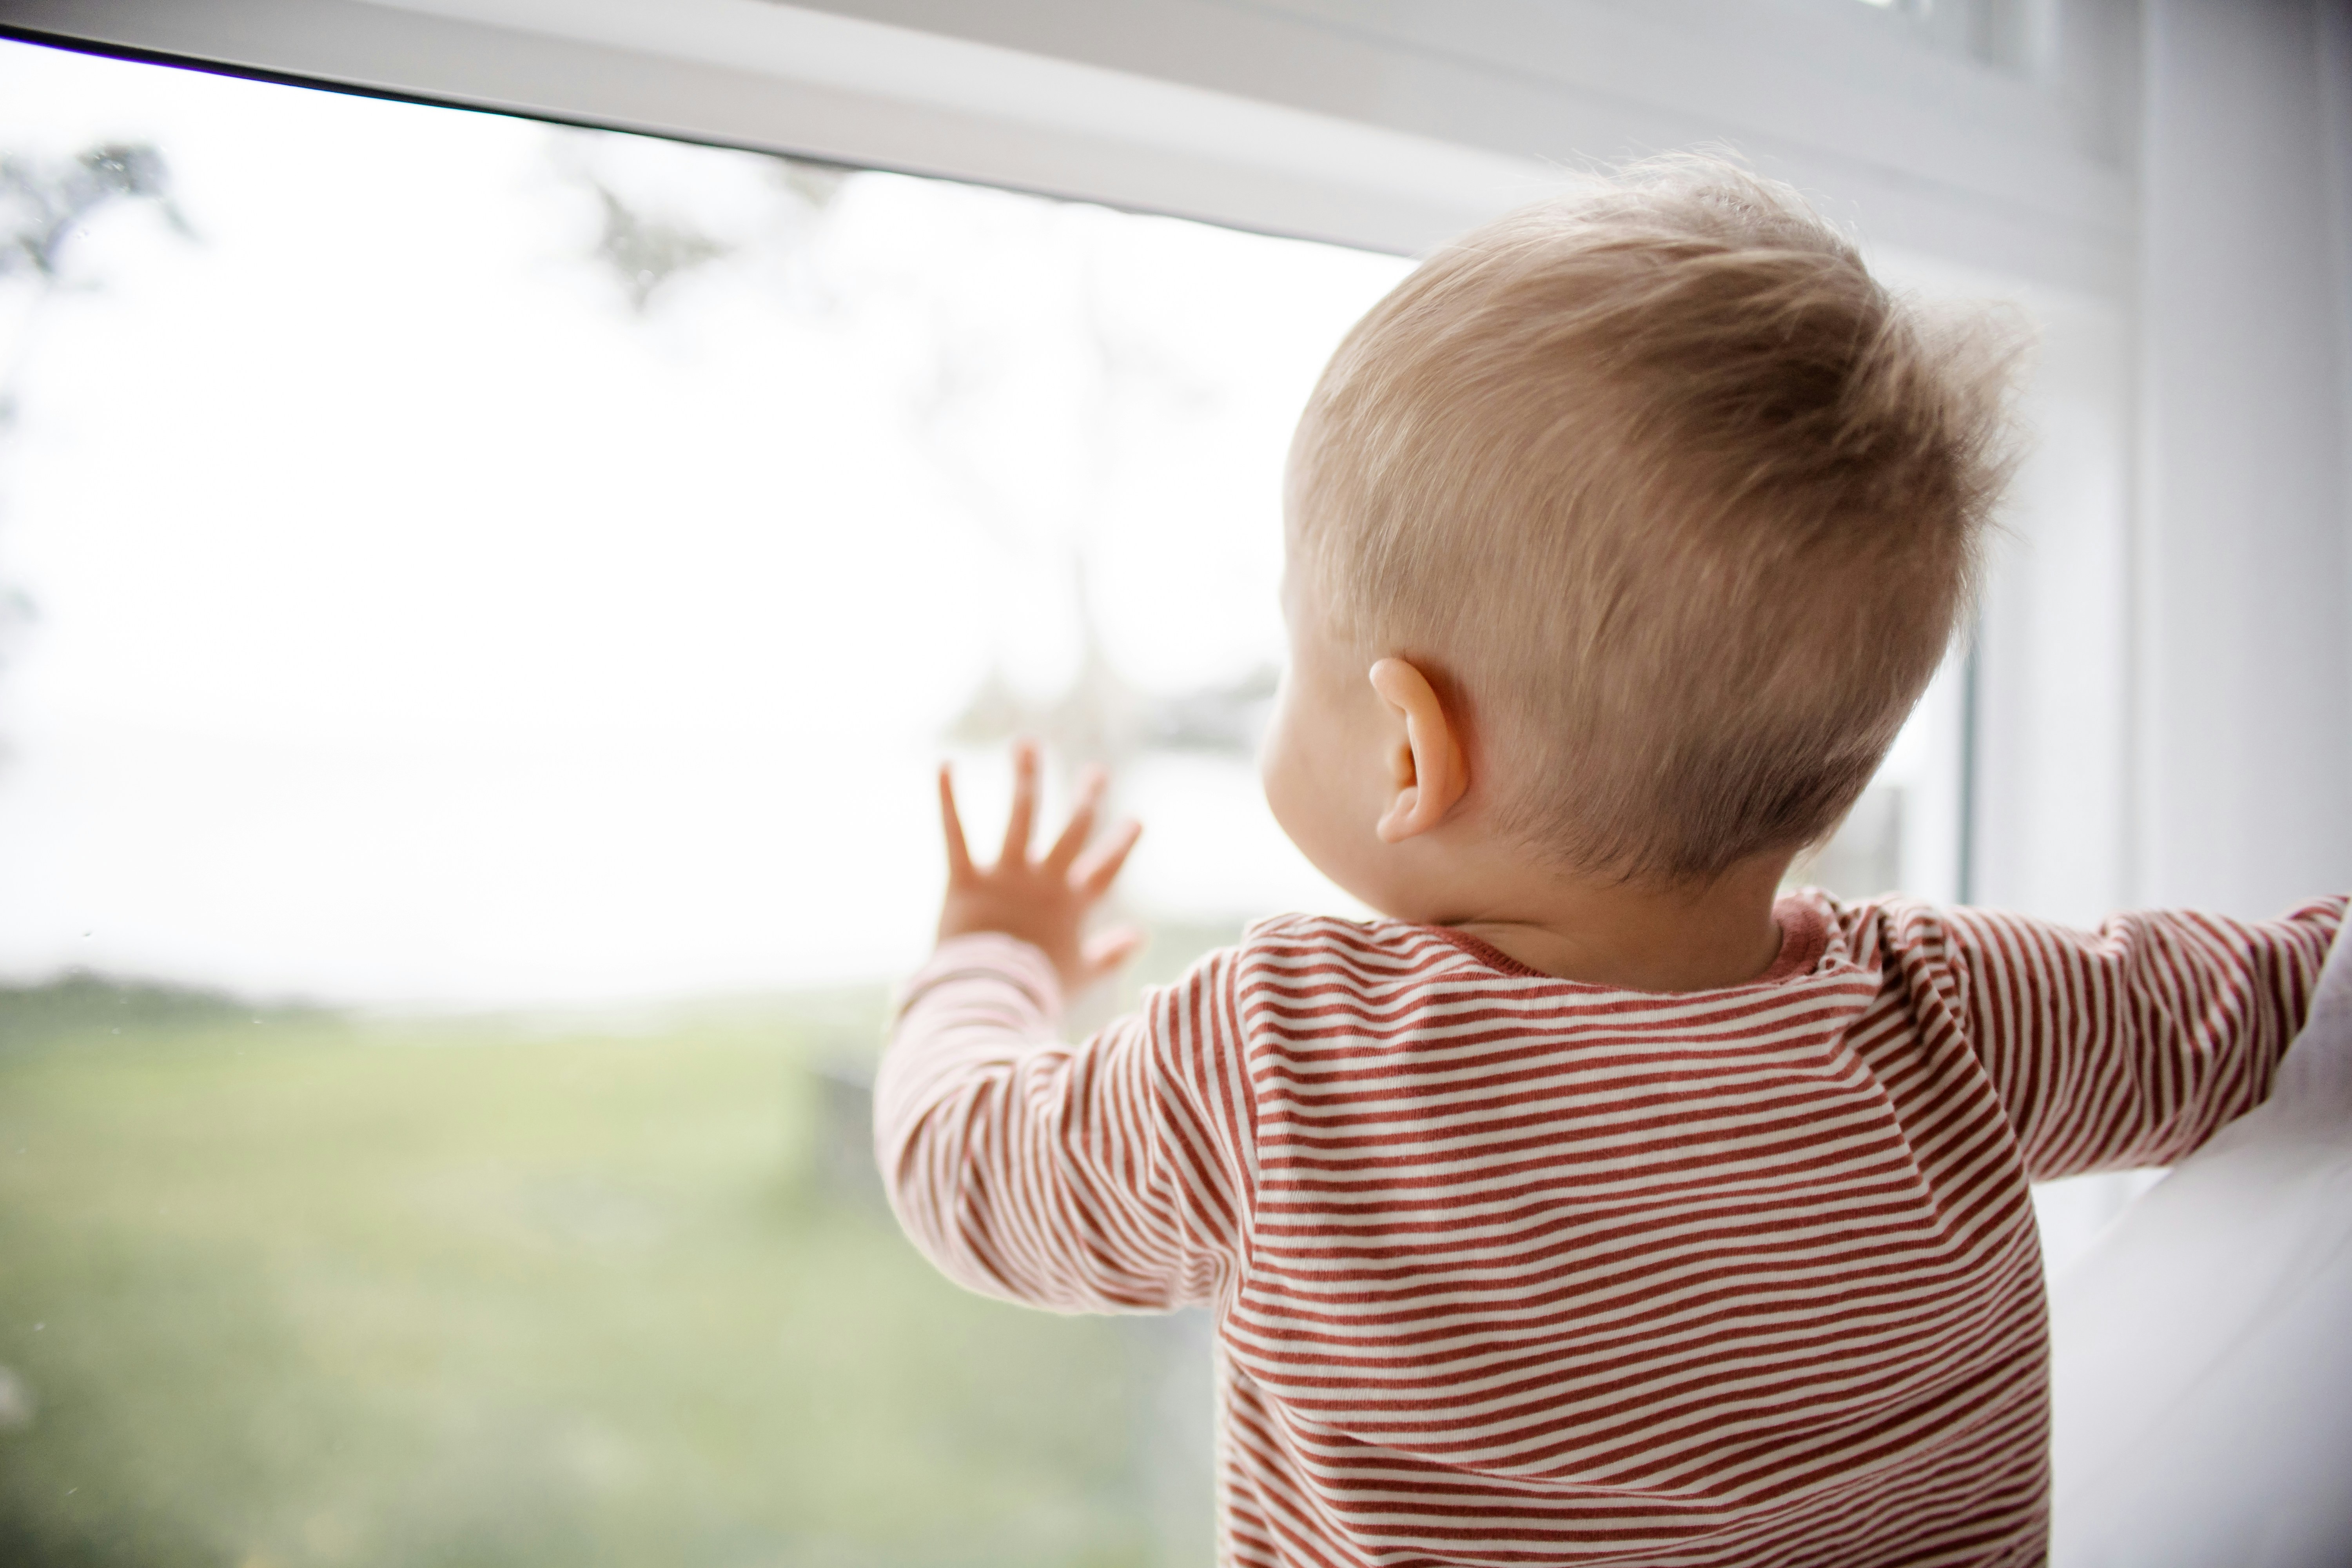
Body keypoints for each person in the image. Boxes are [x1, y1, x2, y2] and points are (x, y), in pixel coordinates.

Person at [871, 156, 2344, 1567]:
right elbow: (2296, 1000)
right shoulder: (1956, 1017)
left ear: (1409, 753)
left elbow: (971, 1174)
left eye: (1293, 647)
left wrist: (992, 952)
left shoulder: (1284, 1057)